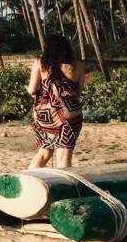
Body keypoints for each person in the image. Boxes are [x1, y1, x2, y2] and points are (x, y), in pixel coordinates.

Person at [28, 34, 86, 169]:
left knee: (44, 152)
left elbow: (31, 90)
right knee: (63, 155)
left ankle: (31, 181)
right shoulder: (79, 66)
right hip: (69, 114)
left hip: (44, 115)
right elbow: (77, 93)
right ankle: (64, 187)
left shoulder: (41, 63)